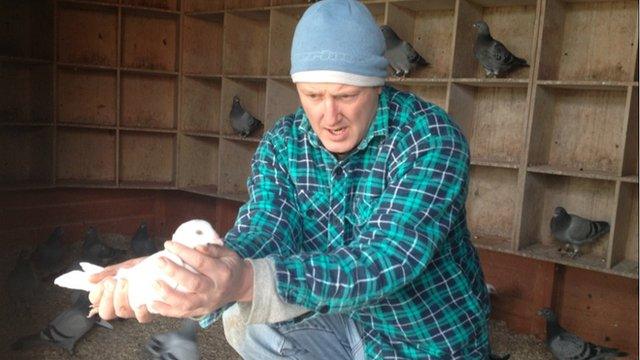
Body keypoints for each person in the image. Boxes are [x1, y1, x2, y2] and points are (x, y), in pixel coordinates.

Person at [88, 0, 491, 358]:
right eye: (313, 96)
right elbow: (266, 227)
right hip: (342, 318)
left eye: (346, 96)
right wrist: (199, 269)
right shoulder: (284, 142)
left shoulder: (430, 139)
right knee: (247, 318)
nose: (329, 117)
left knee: (254, 292)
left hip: (424, 340)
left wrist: (245, 280)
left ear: (378, 85)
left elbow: (385, 260)